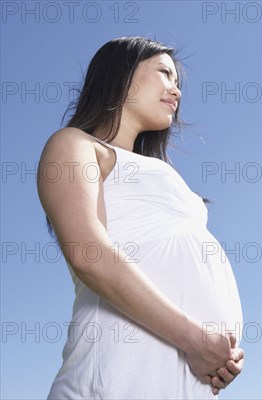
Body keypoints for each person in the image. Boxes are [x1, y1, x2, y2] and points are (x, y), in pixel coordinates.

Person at [37, 36, 244, 399]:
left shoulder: (160, 173)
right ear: (120, 74)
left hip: (183, 381)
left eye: (178, 84)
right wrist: (196, 340)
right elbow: (89, 253)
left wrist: (219, 354)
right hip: (112, 378)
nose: (176, 91)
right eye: (165, 74)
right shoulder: (77, 145)